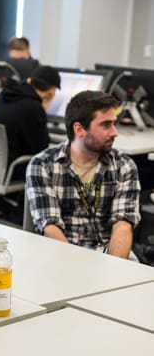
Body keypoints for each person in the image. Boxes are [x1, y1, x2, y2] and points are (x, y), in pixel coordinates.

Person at [26, 90, 141, 259]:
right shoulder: (43, 165)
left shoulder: (124, 165)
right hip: (63, 254)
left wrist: (116, 271)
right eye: (106, 125)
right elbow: (50, 227)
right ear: (79, 129)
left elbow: (123, 225)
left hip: (109, 254)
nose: (115, 132)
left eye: (114, 123)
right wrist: (76, 269)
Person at [0, 65, 60, 174]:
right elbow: (41, 150)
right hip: (12, 171)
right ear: (51, 92)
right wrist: (44, 108)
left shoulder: (3, 95)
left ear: (29, 81)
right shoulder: (33, 107)